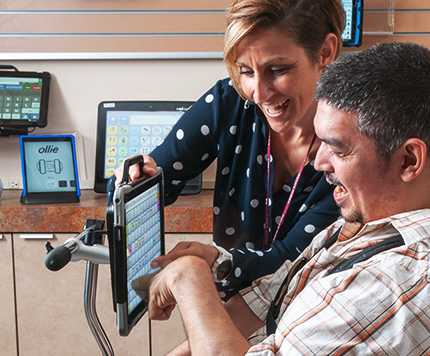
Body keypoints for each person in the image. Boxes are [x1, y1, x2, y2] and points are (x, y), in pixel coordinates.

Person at [139, 42, 430, 356]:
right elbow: (273, 296)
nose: (319, 163)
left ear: (409, 160)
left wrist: (189, 277)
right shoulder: (388, 222)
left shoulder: (411, 285)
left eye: (338, 148)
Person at [111, 0, 344, 298]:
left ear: (325, 52)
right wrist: (132, 180)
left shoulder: (350, 143)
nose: (258, 93)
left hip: (311, 322)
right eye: (246, 71)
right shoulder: (229, 104)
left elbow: (291, 261)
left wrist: (214, 261)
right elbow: (141, 190)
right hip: (229, 316)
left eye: (277, 69)